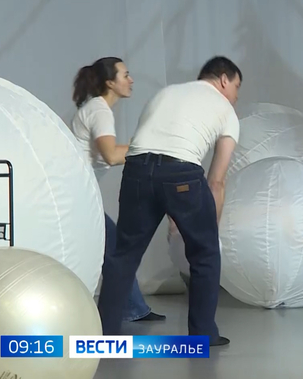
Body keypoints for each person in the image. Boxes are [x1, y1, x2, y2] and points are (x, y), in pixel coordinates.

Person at [96, 56, 241, 346]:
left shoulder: (166, 93)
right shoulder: (225, 109)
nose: (236, 95)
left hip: (136, 170)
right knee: (205, 255)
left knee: (124, 255)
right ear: (224, 80)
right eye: (237, 87)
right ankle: (203, 335)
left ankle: (104, 333)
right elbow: (216, 181)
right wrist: (206, 228)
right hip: (182, 173)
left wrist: (175, 210)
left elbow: (152, 150)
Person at [70, 56, 166, 323]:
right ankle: (132, 308)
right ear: (110, 83)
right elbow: (111, 155)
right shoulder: (100, 110)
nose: (131, 80)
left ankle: (134, 307)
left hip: (79, 194)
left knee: (115, 250)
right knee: (116, 251)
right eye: (125, 75)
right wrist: (145, 147)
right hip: (77, 196)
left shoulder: (97, 108)